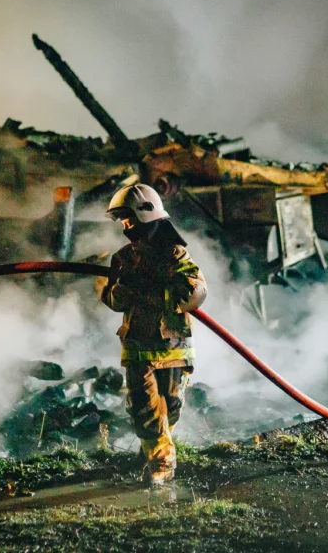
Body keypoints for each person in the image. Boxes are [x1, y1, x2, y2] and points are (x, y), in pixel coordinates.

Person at [96, 184, 207, 485]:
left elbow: (196, 293)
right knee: (146, 410)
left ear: (145, 214)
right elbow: (114, 301)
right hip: (139, 348)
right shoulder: (122, 259)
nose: (125, 225)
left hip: (174, 347)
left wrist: (171, 278)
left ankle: (153, 449)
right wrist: (126, 285)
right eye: (121, 219)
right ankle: (162, 468)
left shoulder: (175, 255)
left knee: (170, 410)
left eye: (127, 217)